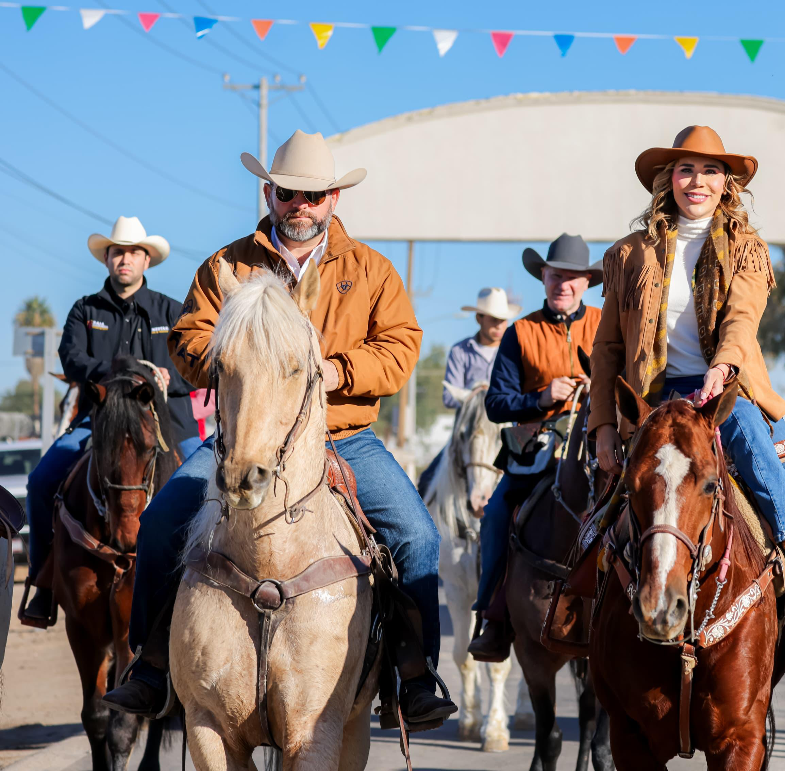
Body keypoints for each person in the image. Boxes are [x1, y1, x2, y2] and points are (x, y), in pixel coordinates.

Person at [103, 130, 456, 726]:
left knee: (418, 538)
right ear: (269, 193)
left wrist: (335, 370)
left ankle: (413, 674)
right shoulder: (226, 265)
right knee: (162, 519)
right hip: (244, 435)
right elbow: (188, 337)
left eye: (313, 196)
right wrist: (234, 354)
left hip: (342, 436)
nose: (301, 206)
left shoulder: (372, 270)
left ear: (334, 201)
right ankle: (153, 663)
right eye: (289, 193)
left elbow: (399, 349)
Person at [589, 125, 785, 681]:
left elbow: (742, 317)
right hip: (651, 396)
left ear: (726, 183)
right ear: (668, 181)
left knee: (783, 472)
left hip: (723, 391)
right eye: (686, 170)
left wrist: (724, 365)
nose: (697, 181)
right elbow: (607, 346)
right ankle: (571, 604)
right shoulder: (628, 254)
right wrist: (604, 426)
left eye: (709, 170)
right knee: (599, 496)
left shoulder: (748, 249)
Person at [18, 216, 202, 628]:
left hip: (167, 427)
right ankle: (44, 579)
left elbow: (197, 366)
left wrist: (169, 378)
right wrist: (126, 369)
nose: (125, 259)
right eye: (118, 252)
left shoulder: (172, 312)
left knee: (204, 484)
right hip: (96, 424)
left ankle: (203, 583)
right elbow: (72, 359)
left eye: (134, 252)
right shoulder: (86, 310)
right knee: (41, 482)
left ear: (146, 260)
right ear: (106, 258)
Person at [467, 233, 602, 661]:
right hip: (534, 453)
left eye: (573, 278)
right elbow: (495, 404)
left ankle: (647, 611)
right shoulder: (519, 332)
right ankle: (493, 616)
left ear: (586, 283)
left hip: (599, 446)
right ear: (543, 277)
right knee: (496, 515)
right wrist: (541, 398)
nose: (563, 284)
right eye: (555, 275)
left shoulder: (605, 324)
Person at [416, 287, 518, 495]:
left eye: (503, 319)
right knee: (426, 482)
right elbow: (449, 397)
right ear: (479, 318)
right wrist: (476, 395)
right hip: (468, 435)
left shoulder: (514, 351)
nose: (499, 325)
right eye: (493, 319)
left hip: (504, 435)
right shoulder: (460, 351)